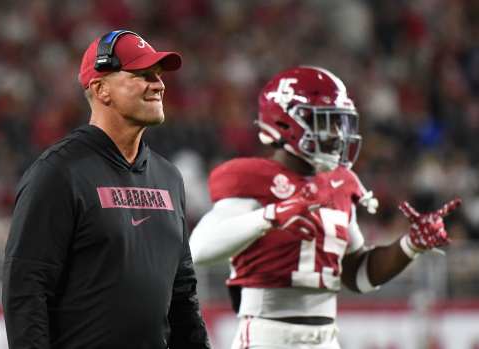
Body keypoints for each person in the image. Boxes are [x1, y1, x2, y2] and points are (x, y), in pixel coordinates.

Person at [189, 66, 460, 349]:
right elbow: (199, 248)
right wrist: (269, 217)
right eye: (324, 121)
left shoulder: (341, 183)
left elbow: (359, 275)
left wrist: (410, 245)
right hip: (266, 338)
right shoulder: (254, 178)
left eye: (340, 123)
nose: (337, 134)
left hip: (326, 340)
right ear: (286, 122)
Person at [2, 30, 210, 349]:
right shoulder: (58, 173)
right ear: (102, 89)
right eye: (142, 75)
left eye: (157, 75)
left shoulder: (169, 178)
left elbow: (182, 297)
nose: (159, 84)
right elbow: (26, 292)